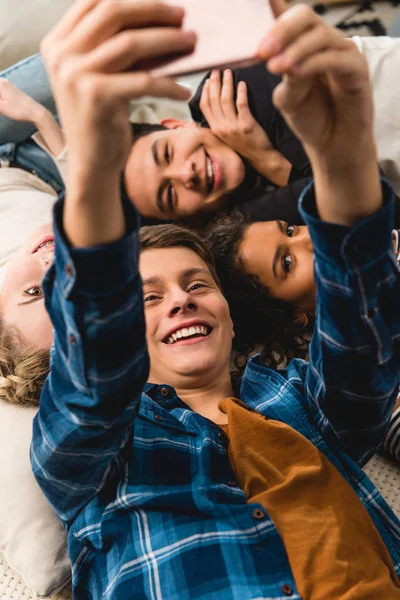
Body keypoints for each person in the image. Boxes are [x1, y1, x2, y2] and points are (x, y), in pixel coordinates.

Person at [8, 0, 397, 598]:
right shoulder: (92, 458)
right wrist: (90, 166)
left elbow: (361, 338)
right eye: (146, 299)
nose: (181, 303)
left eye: (197, 286)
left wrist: (340, 161)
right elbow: (95, 376)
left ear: (234, 320)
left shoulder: (303, 398)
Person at [2, 33, 400, 224]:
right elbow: (377, 215)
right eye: (169, 195)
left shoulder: (232, 91)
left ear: (175, 124)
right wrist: (269, 161)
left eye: (168, 153)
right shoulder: (240, 223)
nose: (185, 173)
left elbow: (351, 198)